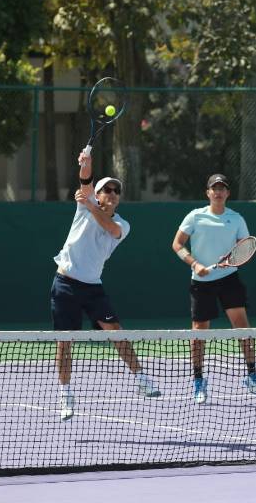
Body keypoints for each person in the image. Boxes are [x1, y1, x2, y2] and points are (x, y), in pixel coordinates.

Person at [51, 150, 161, 422]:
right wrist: (86, 165)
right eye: (106, 190)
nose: (111, 193)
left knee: (116, 333)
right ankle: (65, 395)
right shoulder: (84, 204)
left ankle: (141, 378)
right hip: (65, 284)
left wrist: (90, 206)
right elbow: (85, 181)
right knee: (65, 342)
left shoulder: (123, 224)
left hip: (93, 288)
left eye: (116, 191)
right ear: (97, 195)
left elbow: (110, 229)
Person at [171, 174, 256, 404]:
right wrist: (194, 263)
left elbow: (245, 250)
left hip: (229, 278)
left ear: (227, 193)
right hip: (201, 283)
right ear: (208, 193)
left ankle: (252, 375)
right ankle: (199, 382)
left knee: (243, 329)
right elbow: (177, 244)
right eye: (215, 188)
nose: (219, 192)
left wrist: (231, 260)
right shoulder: (195, 216)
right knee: (199, 332)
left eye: (222, 188)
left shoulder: (237, 219)